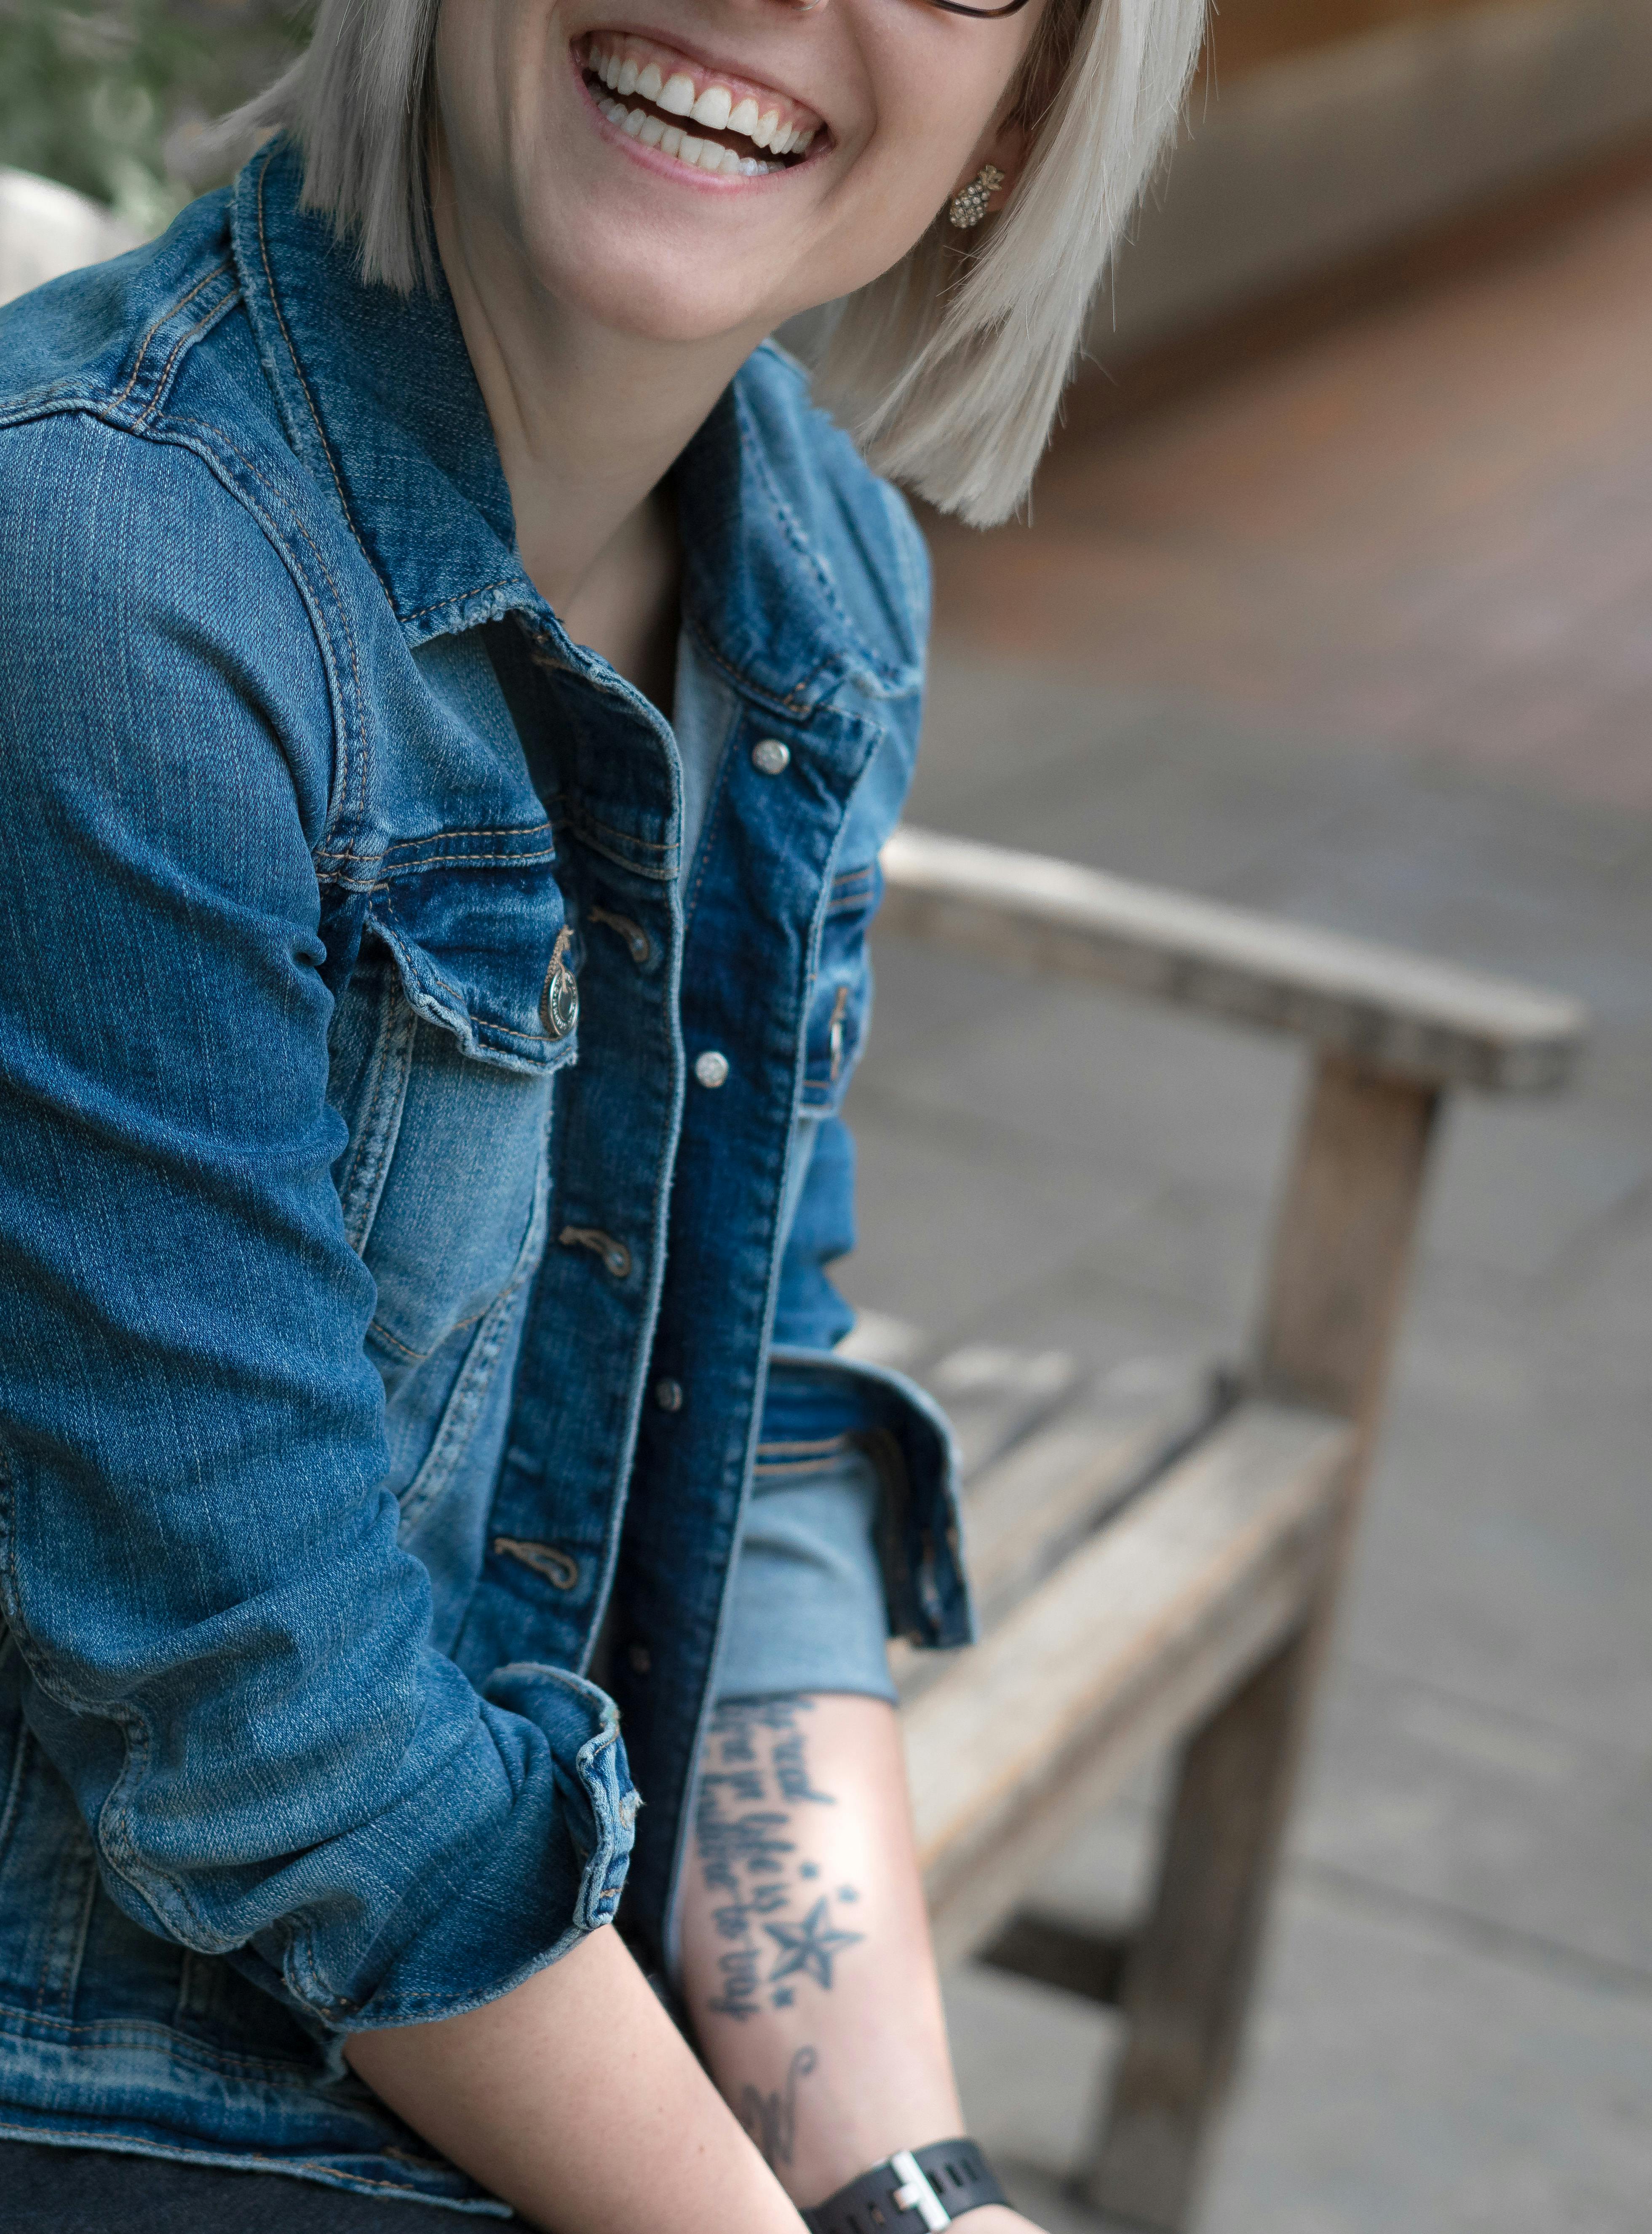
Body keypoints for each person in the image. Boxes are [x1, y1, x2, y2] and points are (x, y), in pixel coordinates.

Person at [0, 0, 1203, 2226]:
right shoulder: (96, 556)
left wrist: (912, 2193)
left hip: (475, 2011)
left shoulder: (818, 575)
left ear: (1022, 108)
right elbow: (265, 1717)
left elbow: (754, 1410)